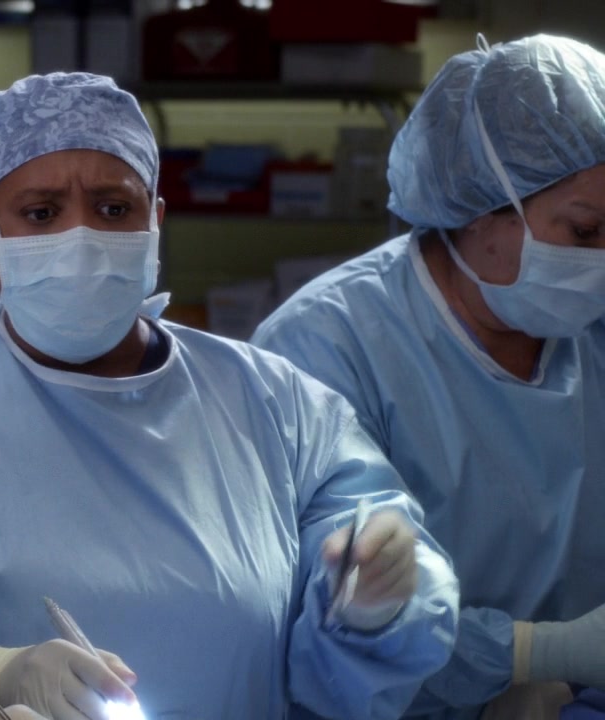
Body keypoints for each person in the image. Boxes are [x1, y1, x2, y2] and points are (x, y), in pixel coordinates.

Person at [0, 72, 460, 720]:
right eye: (41, 213)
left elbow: (368, 586)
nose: (82, 238)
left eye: (114, 209)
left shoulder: (279, 407)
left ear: (155, 225)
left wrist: (371, 607)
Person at [252, 34, 605, 720]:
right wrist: (535, 655)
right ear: (480, 214)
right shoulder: (326, 348)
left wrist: (569, 686)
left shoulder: (589, 331)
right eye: (586, 232)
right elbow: (319, 623)